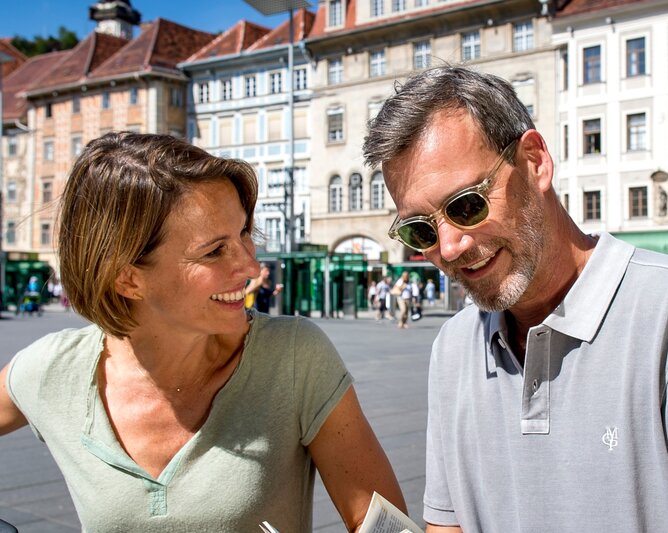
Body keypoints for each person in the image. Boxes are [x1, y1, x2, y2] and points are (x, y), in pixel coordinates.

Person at [364, 66, 668, 532]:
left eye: (466, 205)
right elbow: (447, 525)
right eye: (420, 229)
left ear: (535, 162)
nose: (449, 247)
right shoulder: (453, 347)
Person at [0, 132, 404, 532]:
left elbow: (387, 528)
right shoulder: (53, 371)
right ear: (127, 279)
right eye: (214, 251)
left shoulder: (294, 357)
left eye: (244, 233)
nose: (250, 268)